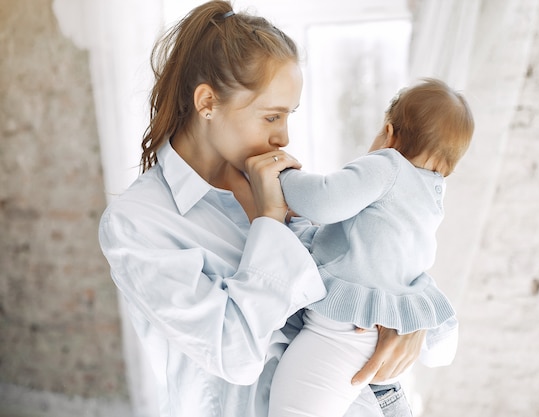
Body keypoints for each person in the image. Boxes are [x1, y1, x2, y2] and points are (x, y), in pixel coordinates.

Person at [98, 1, 426, 416]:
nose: (285, 136)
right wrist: (269, 223)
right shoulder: (137, 224)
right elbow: (233, 353)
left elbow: (367, 262)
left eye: (288, 116)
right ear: (207, 103)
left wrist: (411, 316)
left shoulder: (282, 184)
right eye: (271, 117)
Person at [266, 79, 474, 417]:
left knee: (292, 408)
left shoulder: (387, 164)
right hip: (381, 329)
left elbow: (325, 201)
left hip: (342, 328)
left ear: (389, 133)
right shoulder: (432, 196)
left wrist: (283, 175)